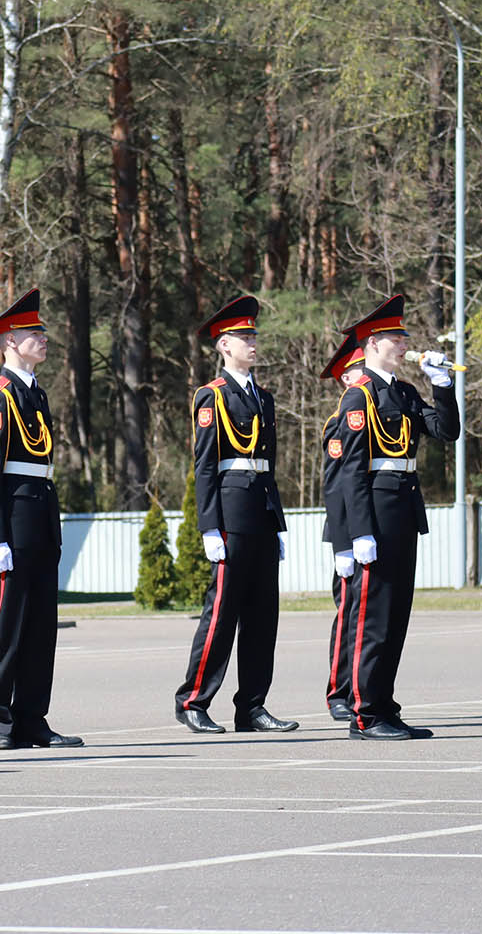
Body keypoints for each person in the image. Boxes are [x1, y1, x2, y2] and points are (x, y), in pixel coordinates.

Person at [333, 295, 459, 740]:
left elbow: (446, 431)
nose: (404, 344)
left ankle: (385, 706)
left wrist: (442, 386)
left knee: (396, 617)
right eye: (395, 337)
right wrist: (359, 533)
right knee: (373, 620)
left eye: (404, 337)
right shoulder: (358, 396)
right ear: (372, 343)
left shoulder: (403, 392)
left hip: (404, 509)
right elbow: (351, 471)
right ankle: (364, 714)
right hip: (376, 512)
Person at [173, 296, 297, 735]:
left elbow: (269, 465)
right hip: (230, 514)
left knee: (263, 617)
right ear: (224, 345)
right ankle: (193, 700)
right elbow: (205, 466)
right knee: (222, 613)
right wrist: (209, 526)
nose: (252, 342)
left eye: (254, 335)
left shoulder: (264, 398)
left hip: (260, 513)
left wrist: (276, 523)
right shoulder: (213, 396)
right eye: (244, 337)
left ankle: (252, 706)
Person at [0, 289, 82, 751]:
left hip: (40, 519)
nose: (43, 337)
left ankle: (33, 718)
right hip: (14, 526)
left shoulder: (35, 393)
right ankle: (1, 719)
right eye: (34, 331)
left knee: (40, 628)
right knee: (9, 628)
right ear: (10, 341)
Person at [319, 336, 365, 721]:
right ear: (347, 378)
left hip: (371, 528)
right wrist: (342, 544)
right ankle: (339, 691)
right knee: (349, 614)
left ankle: (363, 690)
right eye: (361, 369)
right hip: (348, 532)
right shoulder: (340, 423)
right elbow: (335, 485)